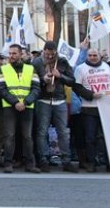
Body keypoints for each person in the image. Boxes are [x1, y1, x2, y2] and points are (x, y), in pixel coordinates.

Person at [31, 41, 78, 173]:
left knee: (63, 131)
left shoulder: (62, 61)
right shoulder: (36, 62)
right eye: (47, 54)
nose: (50, 57)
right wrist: (42, 80)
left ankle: (66, 160)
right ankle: (43, 159)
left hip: (59, 100)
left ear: (56, 52)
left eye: (52, 54)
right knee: (42, 131)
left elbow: (72, 80)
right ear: (43, 51)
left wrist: (60, 76)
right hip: (43, 100)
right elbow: (30, 81)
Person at [0, 44, 41, 173]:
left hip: (27, 107)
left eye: (14, 53)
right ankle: (8, 163)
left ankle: (30, 164)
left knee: (27, 136)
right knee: (9, 136)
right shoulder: (3, 69)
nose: (11, 56)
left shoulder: (31, 69)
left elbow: (36, 88)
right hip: (10, 107)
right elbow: (2, 89)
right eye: (10, 53)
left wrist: (25, 102)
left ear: (21, 54)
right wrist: (15, 102)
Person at [73, 48, 110, 172]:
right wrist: (91, 94)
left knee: (107, 137)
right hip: (89, 108)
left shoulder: (106, 66)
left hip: (106, 107)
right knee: (90, 137)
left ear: (99, 56)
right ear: (87, 56)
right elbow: (77, 87)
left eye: (95, 55)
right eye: (90, 55)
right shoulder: (80, 68)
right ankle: (91, 162)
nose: (93, 57)